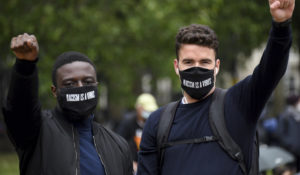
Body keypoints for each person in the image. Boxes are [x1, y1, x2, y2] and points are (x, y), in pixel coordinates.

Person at [137, 0, 294, 174]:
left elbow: (270, 70)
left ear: (217, 66)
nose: (197, 68)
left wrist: (281, 25)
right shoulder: (157, 123)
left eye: (205, 62)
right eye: (188, 62)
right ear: (176, 66)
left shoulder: (238, 104)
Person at [2, 33, 133, 175]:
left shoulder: (118, 145)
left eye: (88, 82)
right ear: (54, 91)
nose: (80, 87)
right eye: (70, 83)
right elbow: (20, 109)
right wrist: (25, 65)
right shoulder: (36, 132)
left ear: (97, 85)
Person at [116, 93, 158, 173]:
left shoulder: (154, 123)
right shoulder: (128, 122)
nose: (149, 112)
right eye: (146, 110)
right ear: (138, 108)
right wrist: (130, 162)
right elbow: (117, 144)